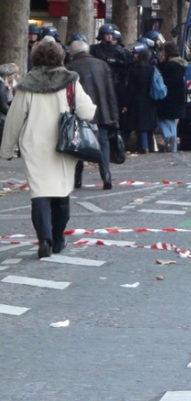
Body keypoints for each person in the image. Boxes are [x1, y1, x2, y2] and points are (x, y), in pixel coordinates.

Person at [0, 40, 96, 258]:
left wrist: (6, 150)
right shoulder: (70, 81)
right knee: (61, 193)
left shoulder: (27, 83)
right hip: (63, 144)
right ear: (60, 57)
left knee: (39, 194)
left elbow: (14, 119)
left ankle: (44, 239)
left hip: (34, 145)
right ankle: (58, 238)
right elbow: (87, 112)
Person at [69, 38, 119, 188]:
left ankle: (77, 178)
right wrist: (114, 117)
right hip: (101, 112)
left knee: (78, 145)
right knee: (103, 144)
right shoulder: (102, 65)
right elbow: (111, 93)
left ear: (73, 52)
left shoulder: (70, 67)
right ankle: (106, 176)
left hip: (79, 112)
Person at [126, 44, 159, 153]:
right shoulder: (151, 69)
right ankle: (151, 147)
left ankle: (143, 147)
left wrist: (127, 102)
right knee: (148, 126)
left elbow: (130, 88)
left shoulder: (134, 70)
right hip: (150, 99)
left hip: (137, 100)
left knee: (141, 126)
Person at [156, 42, 188, 152]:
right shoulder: (181, 64)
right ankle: (172, 147)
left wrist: (160, 64)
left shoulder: (170, 66)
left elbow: (165, 81)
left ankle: (169, 138)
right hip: (178, 99)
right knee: (171, 123)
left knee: (159, 119)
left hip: (168, 99)